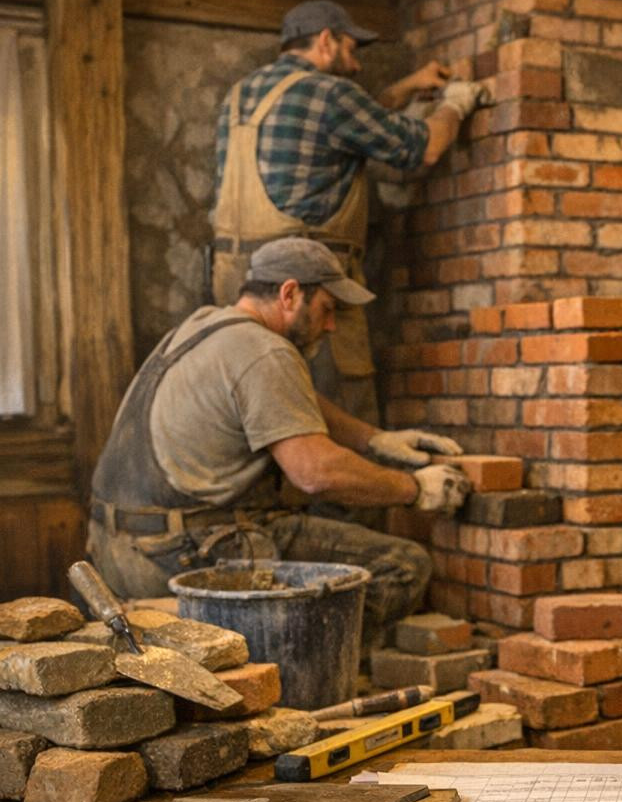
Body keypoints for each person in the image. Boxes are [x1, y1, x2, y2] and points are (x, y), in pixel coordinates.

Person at [87, 238, 472, 639]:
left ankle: (230, 630)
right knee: (405, 564)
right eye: (327, 309)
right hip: (178, 554)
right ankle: (272, 653)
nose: (331, 325)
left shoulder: (202, 328)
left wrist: (375, 440)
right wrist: (414, 489)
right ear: (290, 293)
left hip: (112, 551)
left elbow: (292, 401)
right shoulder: (267, 351)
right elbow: (315, 473)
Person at [210, 0, 485, 425]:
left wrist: (410, 86)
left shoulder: (239, 96)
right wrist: (456, 103)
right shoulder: (331, 94)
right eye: (351, 50)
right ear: (326, 41)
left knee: (254, 412)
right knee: (335, 418)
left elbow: (346, 126)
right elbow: (425, 147)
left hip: (238, 284)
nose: (356, 66)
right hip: (306, 288)